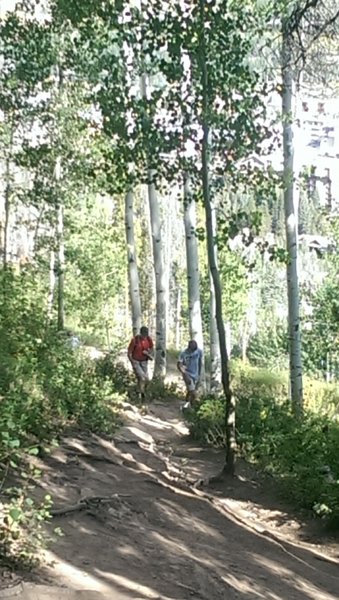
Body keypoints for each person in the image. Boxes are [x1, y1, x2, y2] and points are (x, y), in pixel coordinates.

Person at [128, 326, 154, 400]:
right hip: (136, 361)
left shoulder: (148, 339)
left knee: (146, 379)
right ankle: (141, 395)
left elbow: (152, 348)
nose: (145, 335)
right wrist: (132, 362)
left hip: (144, 361)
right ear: (141, 333)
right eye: (144, 334)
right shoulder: (135, 340)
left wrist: (149, 353)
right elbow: (129, 352)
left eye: (146, 334)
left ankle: (139, 392)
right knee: (142, 377)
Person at [177, 340, 203, 408]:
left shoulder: (199, 351)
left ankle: (186, 405)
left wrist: (199, 374)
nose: (194, 351)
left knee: (190, 391)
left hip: (196, 375)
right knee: (193, 393)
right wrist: (185, 374)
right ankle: (195, 408)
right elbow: (179, 365)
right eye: (192, 350)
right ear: (189, 347)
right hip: (187, 374)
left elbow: (200, 362)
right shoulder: (183, 354)